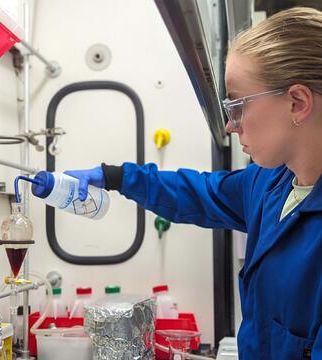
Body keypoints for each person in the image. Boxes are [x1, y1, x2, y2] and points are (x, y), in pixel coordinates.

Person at [65, 7, 322, 360]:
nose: (232, 126)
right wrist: (116, 177)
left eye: (238, 106)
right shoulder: (270, 184)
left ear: (297, 102)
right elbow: (199, 193)